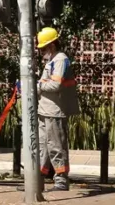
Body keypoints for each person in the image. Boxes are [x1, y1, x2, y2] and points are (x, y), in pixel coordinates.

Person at [36, 27, 79, 191]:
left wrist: (36, 86)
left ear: (52, 45)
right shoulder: (52, 60)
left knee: (56, 146)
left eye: (43, 48)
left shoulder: (60, 60)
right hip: (45, 110)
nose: (41, 52)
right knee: (42, 147)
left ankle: (61, 181)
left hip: (54, 111)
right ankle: (37, 181)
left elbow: (55, 85)